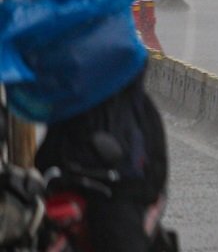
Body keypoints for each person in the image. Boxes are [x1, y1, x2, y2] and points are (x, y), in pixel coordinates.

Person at [35, 65, 169, 251]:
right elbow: (45, 158)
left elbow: (154, 173)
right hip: (68, 198)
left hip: (120, 197)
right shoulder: (70, 103)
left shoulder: (134, 109)